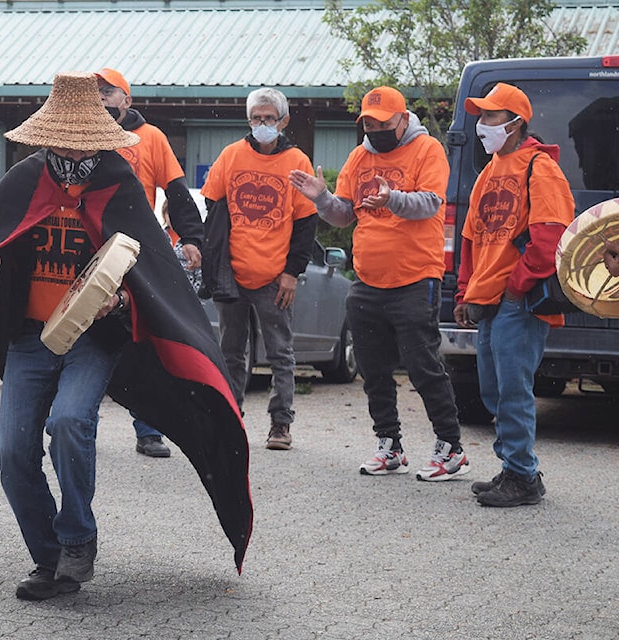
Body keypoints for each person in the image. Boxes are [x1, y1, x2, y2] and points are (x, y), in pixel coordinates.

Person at [0, 71, 252, 601]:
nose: (71, 145)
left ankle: (78, 537)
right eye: (62, 134)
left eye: (82, 135)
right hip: (28, 339)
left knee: (70, 421)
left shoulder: (118, 182)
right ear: (48, 132)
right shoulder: (24, 178)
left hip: (92, 339)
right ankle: (49, 558)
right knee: (13, 453)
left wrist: (122, 299)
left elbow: (150, 272)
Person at [289, 86, 468, 481]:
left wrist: (392, 199)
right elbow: (344, 215)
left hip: (415, 276)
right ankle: (389, 445)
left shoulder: (428, 150)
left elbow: (430, 203)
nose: (375, 130)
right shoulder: (360, 156)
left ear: (403, 119)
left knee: (422, 365)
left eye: (383, 123)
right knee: (372, 367)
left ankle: (450, 447)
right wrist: (322, 198)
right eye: (368, 123)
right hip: (368, 279)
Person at [453, 83, 574, 506]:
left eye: (490, 117)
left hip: (515, 300)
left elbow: (550, 238)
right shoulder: (488, 171)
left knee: (513, 390)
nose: (481, 125)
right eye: (481, 116)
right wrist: (466, 292)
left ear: (516, 123)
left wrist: (515, 286)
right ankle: (514, 468)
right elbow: (470, 240)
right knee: (494, 390)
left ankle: (522, 476)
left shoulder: (539, 167)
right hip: (489, 298)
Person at [200, 87, 318, 451]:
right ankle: (231, 417)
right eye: (256, 118)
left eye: (269, 118)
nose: (262, 124)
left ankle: (280, 424)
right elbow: (212, 206)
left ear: (283, 121)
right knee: (231, 350)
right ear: (248, 120)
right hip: (231, 273)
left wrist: (291, 272)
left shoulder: (297, 161)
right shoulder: (231, 155)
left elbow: (305, 224)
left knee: (280, 352)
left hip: (274, 276)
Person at [95, 67, 204, 458]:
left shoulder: (151, 137)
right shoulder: (83, 133)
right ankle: (76, 423)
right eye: (96, 92)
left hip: (137, 252)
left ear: (127, 99)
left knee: (144, 338)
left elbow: (176, 192)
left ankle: (149, 429)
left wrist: (191, 237)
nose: (102, 98)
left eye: (109, 92)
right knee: (86, 336)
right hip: (90, 249)